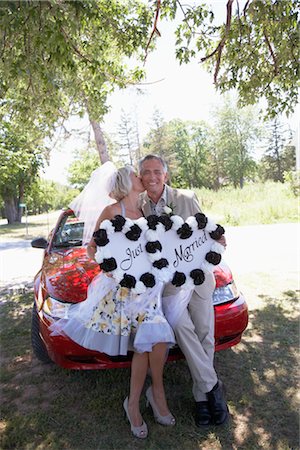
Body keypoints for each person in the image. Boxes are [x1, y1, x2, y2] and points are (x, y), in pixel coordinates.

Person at [51, 162, 176, 439]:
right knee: (146, 345)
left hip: (147, 289)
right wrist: (108, 266)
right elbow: (93, 246)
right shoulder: (112, 211)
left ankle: (151, 395)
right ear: (126, 181)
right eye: (137, 175)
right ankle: (139, 402)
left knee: (155, 340)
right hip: (121, 291)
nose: (142, 177)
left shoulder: (144, 210)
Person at [138, 154, 229, 427]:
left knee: (204, 335)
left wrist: (218, 240)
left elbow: (204, 230)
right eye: (146, 172)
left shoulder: (186, 198)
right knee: (184, 332)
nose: (152, 177)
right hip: (168, 287)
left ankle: (202, 398)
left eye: (157, 172)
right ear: (140, 176)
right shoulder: (138, 205)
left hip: (199, 280)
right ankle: (214, 388)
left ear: (166, 175)